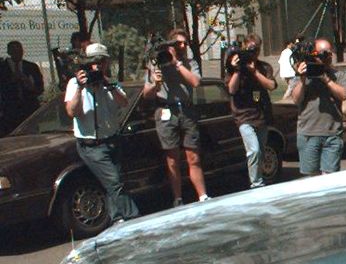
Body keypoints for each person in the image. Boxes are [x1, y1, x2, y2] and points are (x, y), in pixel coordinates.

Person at [63, 42, 140, 226]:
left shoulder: (110, 83)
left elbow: (123, 102)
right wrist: (82, 88)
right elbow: (71, 111)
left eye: (102, 62)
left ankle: (117, 219)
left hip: (112, 140)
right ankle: (134, 218)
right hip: (91, 145)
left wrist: (107, 84)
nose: (97, 66)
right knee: (114, 182)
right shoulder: (75, 83)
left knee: (113, 183)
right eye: (94, 62)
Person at [141, 28, 208, 206]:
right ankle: (177, 198)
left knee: (193, 156)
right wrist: (155, 82)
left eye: (185, 43)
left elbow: (195, 82)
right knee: (172, 158)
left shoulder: (188, 61)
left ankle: (202, 196)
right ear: (170, 45)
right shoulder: (157, 62)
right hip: (166, 112)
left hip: (186, 110)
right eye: (179, 43)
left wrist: (177, 63)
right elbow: (146, 94)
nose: (183, 46)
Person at [290, 37, 346, 175]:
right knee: (312, 180)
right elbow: (296, 99)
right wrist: (302, 80)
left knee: (330, 179)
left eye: (329, 53)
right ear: (313, 54)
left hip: (332, 134)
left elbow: (344, 95)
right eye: (322, 53)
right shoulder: (301, 75)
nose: (327, 57)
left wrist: (326, 79)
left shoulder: (337, 75)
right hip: (308, 133)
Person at [225, 33, 277, 188]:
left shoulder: (264, 67)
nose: (252, 53)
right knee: (253, 150)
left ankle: (258, 177)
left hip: (261, 116)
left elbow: (272, 86)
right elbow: (231, 90)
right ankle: (256, 184)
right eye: (249, 49)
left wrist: (255, 72)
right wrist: (237, 70)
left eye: (255, 50)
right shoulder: (235, 67)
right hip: (243, 116)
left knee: (260, 152)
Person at [0, 40, 45, 134]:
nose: (18, 53)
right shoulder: (3, 68)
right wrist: (12, 80)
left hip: (29, 109)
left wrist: (29, 85)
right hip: (10, 111)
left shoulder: (31, 67)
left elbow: (40, 88)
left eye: (19, 50)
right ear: (9, 52)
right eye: (14, 51)